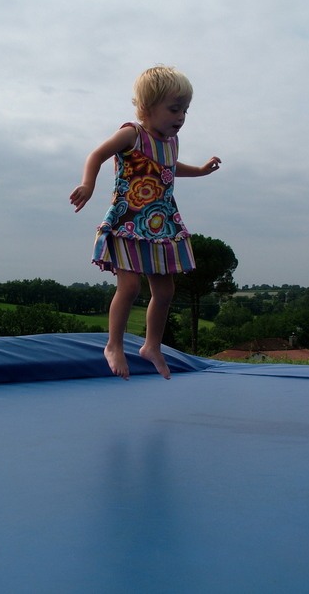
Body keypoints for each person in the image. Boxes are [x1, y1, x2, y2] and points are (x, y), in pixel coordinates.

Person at [70, 65, 220, 380]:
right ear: (147, 107)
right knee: (129, 285)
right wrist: (88, 184)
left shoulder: (171, 142)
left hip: (161, 225)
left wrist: (201, 171)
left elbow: (171, 167)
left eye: (185, 111)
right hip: (128, 221)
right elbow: (96, 155)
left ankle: (152, 346)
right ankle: (114, 345)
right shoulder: (131, 134)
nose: (181, 117)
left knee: (165, 291)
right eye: (174, 109)